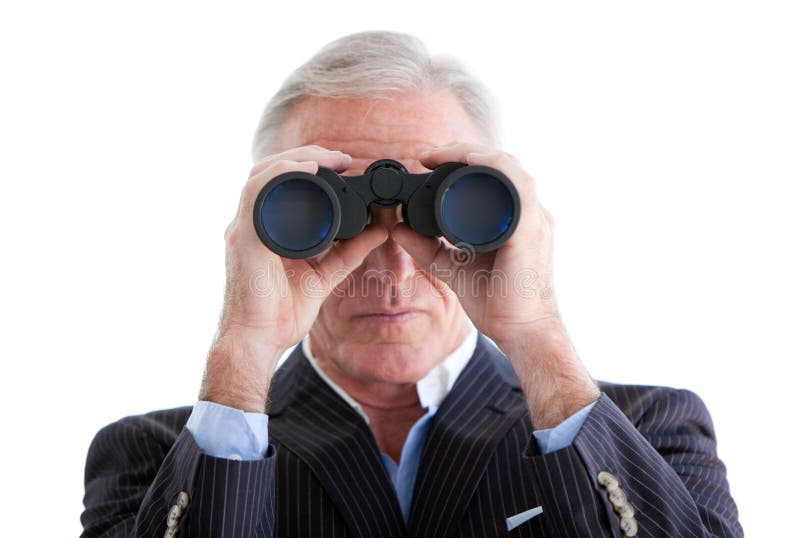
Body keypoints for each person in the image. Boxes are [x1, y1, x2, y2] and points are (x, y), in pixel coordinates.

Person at [81, 31, 742, 538]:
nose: (394, 265)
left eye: (439, 211)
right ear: (269, 223)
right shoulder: (155, 455)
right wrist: (243, 350)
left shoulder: (651, 430)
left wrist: (536, 336)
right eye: (333, 215)